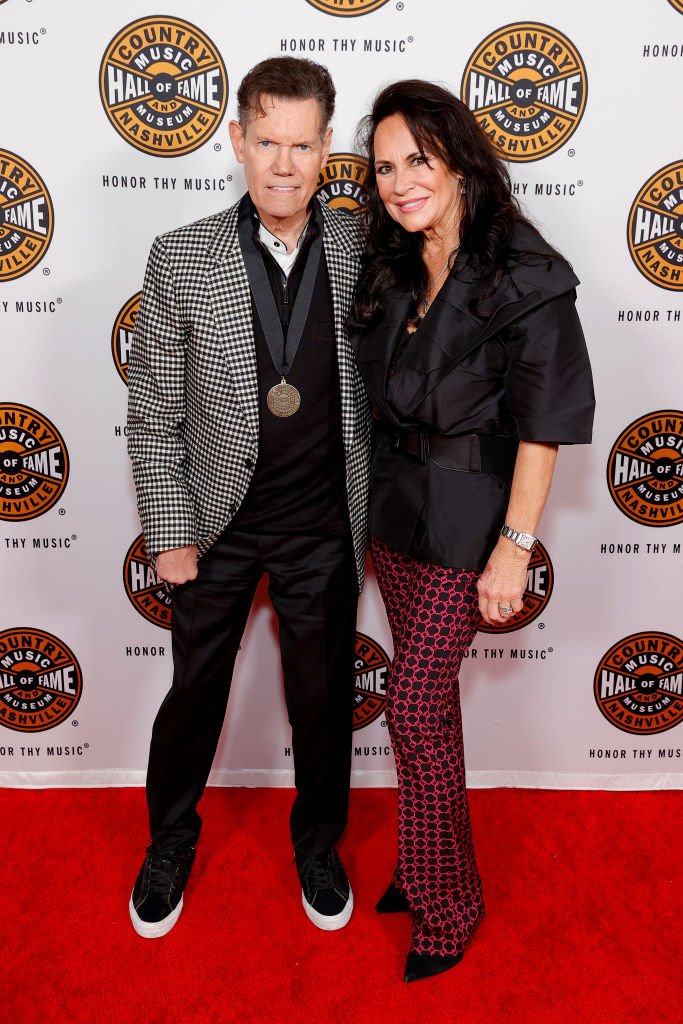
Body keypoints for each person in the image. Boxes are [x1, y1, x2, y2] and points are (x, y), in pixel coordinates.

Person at [349, 81, 595, 982]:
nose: (401, 181)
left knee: (411, 710)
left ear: (457, 157)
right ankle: (420, 867)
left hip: (470, 524)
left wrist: (514, 547)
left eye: (418, 158)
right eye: (383, 167)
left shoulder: (526, 274)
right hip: (392, 517)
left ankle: (449, 905)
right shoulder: (395, 264)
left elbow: (544, 423)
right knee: (431, 716)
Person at [126, 56, 371, 939]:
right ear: (236, 140)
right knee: (194, 693)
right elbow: (152, 407)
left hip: (321, 530)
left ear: (325, 148)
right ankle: (170, 838)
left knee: (321, 698)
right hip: (215, 527)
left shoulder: (360, 247)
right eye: (265, 140)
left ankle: (318, 842)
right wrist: (170, 528)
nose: (282, 162)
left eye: (301, 144)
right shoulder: (181, 254)